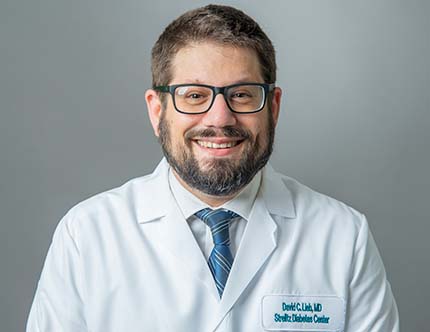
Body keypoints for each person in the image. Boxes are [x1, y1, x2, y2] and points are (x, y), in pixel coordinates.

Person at [26, 4, 399, 332]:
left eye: (241, 94)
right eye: (194, 96)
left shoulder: (343, 237)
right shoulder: (87, 236)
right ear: (157, 111)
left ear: (273, 107)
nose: (220, 118)